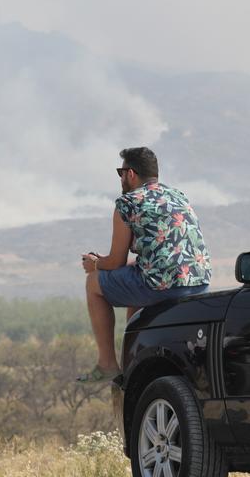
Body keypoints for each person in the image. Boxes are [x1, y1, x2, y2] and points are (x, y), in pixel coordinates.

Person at [76, 146, 211, 383]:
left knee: (93, 283)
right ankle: (135, 362)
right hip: (199, 283)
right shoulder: (178, 196)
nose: (120, 178)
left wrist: (95, 265)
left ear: (130, 174)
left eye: (121, 172)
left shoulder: (128, 203)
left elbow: (115, 260)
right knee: (134, 274)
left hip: (164, 285)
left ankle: (107, 364)